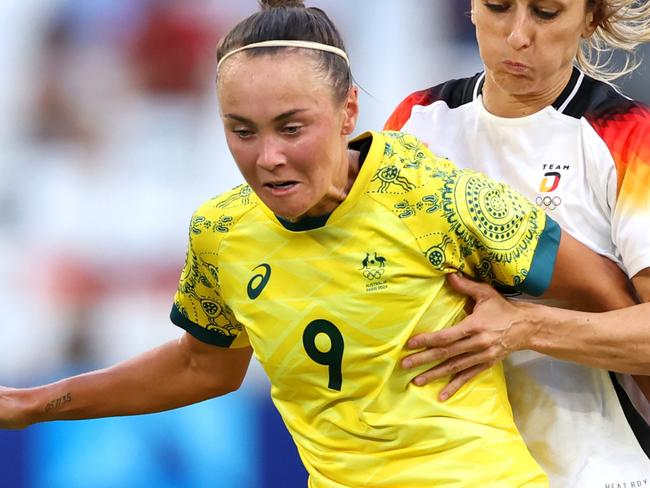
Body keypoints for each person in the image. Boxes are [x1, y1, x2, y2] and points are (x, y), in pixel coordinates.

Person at [0, 1, 638, 486]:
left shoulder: (456, 188)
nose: (269, 157)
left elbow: (617, 304)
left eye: (292, 128)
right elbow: (207, 363)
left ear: (348, 112)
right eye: (242, 131)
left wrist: (524, 326)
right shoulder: (229, 228)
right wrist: (33, 404)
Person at [385, 0, 650, 486]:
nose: (518, 35)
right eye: (498, 7)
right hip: (450, 469)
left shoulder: (627, 137)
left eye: (546, 13)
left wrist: (524, 326)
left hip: (591, 469)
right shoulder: (419, 120)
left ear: (590, 17)